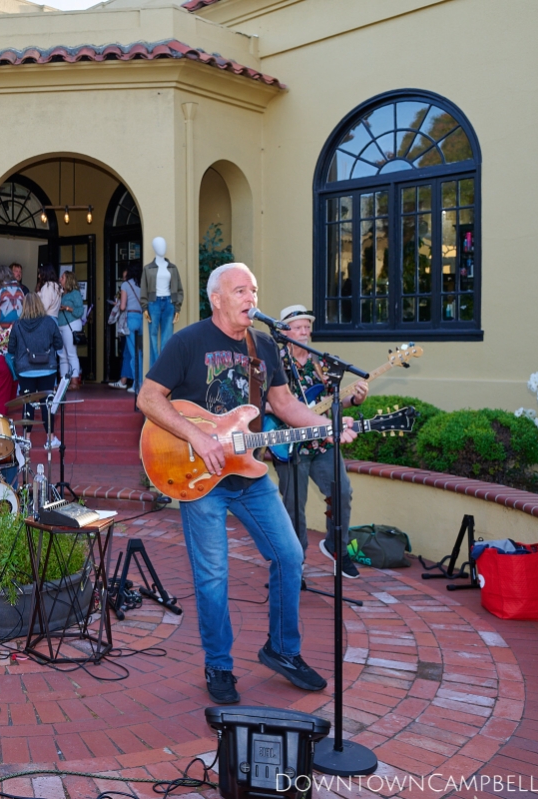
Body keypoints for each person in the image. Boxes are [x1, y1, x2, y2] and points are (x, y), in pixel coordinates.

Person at [136, 262, 357, 706]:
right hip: (201, 476)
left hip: (249, 473)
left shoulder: (264, 345)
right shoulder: (188, 342)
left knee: (290, 555)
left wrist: (326, 426)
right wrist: (198, 436)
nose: (250, 298)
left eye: (253, 290)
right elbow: (148, 397)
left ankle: (282, 649)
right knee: (213, 575)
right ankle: (219, 664)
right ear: (216, 298)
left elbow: (284, 404)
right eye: (240, 290)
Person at [270, 304, 368, 578]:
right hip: (290, 443)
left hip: (322, 442)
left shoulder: (322, 363)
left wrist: (354, 399)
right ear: (285, 331)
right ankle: (295, 562)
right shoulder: (274, 363)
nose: (304, 332)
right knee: (294, 506)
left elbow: (332, 402)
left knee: (342, 492)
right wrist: (289, 411)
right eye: (298, 327)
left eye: (307, 327)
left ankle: (337, 547)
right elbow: (261, 401)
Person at [8, 293, 63, 449]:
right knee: (47, 403)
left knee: (28, 403)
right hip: (47, 369)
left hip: (25, 369)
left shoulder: (17, 325)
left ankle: (27, 438)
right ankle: (50, 438)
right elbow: (59, 344)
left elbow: (11, 348)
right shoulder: (50, 322)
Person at [109, 263, 144, 392]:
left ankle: (137, 385)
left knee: (134, 353)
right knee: (139, 352)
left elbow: (123, 306)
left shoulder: (125, 285)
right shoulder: (141, 284)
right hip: (141, 318)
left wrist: (117, 304)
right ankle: (142, 381)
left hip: (131, 318)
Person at [56, 271, 84, 390]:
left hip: (71, 325)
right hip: (61, 326)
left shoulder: (75, 293)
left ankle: (74, 381)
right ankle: (64, 382)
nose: (60, 279)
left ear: (68, 280)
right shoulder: (60, 293)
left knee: (71, 354)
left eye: (62, 277)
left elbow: (80, 311)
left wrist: (67, 308)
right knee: (62, 355)